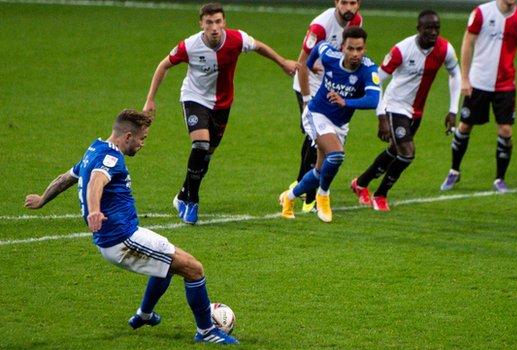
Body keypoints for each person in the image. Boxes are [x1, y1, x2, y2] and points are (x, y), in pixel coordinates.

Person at [24, 110, 238, 345]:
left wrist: (43, 198)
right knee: (194, 269)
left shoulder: (94, 149)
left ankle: (144, 315)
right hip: (122, 239)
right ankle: (206, 331)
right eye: (142, 139)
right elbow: (97, 179)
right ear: (127, 136)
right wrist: (94, 210)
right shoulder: (111, 158)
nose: (142, 144)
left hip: (117, 239)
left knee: (166, 265)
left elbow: (67, 177)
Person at [143, 2, 299, 224]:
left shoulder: (237, 39)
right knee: (200, 145)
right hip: (194, 97)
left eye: (218, 22)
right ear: (201, 24)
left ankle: (182, 194)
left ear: (224, 22)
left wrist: (283, 62)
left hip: (222, 104)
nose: (214, 27)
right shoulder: (190, 45)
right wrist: (150, 99)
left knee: (206, 156)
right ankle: (192, 200)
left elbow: (259, 47)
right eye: (209, 23)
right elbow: (163, 65)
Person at [350, 10, 461, 211]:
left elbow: (455, 73)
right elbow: (376, 79)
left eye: (436, 28)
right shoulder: (402, 50)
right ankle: (380, 195)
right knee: (407, 153)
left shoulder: (445, 49)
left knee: (395, 151)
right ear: (418, 29)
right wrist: (381, 116)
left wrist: (453, 110)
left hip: (416, 111)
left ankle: (360, 183)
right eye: (428, 28)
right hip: (395, 106)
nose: (433, 32)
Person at [279, 27, 380, 223]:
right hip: (317, 114)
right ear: (342, 47)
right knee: (336, 155)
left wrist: (346, 102)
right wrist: (310, 65)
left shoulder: (368, 69)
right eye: (351, 49)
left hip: (340, 124)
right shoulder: (330, 55)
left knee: (319, 171)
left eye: (359, 49)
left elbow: (374, 100)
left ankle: (289, 197)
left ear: (364, 49)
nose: (355, 54)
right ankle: (323, 195)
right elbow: (316, 48)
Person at [440, 0, 517, 193]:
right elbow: (468, 42)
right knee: (465, 125)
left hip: (506, 85)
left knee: (506, 130)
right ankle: (454, 170)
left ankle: (500, 179)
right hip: (479, 82)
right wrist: (465, 78)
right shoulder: (481, 13)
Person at [290, 0, 363, 213]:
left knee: (315, 138)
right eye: (344, 2)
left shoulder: (356, 21)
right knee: (319, 140)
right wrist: (305, 99)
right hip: (309, 84)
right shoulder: (320, 27)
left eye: (353, 2)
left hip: (331, 84)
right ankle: (310, 198)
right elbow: (302, 64)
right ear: (336, 3)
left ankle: (302, 185)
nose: (348, 7)